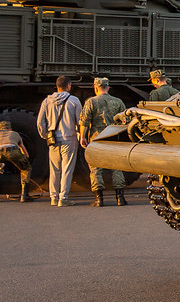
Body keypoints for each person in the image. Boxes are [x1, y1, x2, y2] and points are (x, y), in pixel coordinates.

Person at [79, 77, 128, 206]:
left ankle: (99, 199)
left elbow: (85, 121)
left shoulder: (91, 102)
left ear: (96, 88)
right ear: (108, 87)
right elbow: (125, 122)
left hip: (96, 139)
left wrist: (82, 137)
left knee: (95, 168)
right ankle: (120, 198)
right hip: (113, 138)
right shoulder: (118, 102)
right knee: (117, 167)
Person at [37, 76, 82, 206]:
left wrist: (46, 135)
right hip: (69, 138)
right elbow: (79, 121)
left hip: (53, 139)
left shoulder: (47, 101)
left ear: (57, 86)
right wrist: (81, 135)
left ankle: (53, 197)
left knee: (54, 168)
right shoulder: (74, 101)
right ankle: (63, 198)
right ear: (68, 86)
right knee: (67, 169)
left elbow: (40, 122)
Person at [0, 120, 35, 202]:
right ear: (10, 129)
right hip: (13, 150)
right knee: (26, 169)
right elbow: (26, 154)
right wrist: (24, 161)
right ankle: (24, 195)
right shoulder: (15, 134)